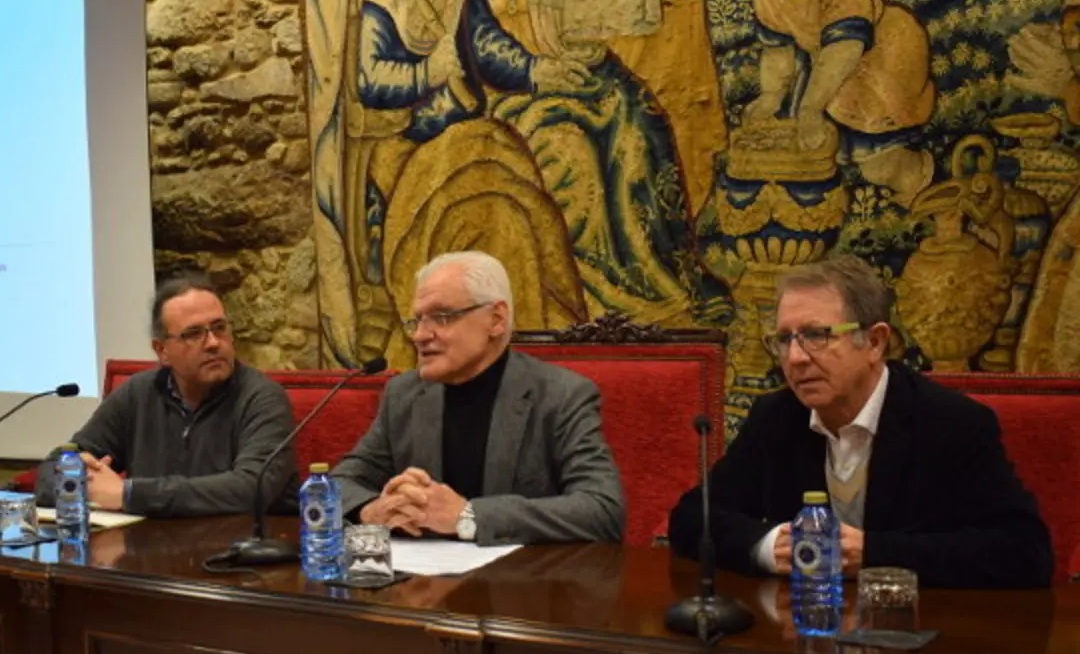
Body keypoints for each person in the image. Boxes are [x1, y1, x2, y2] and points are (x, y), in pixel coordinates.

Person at [667, 255, 1053, 588]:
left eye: (817, 335)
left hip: (918, 644)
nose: (796, 357)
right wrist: (770, 548)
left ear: (875, 343)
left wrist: (872, 553)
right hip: (801, 639)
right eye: (785, 339)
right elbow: (690, 519)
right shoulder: (776, 418)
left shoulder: (951, 424)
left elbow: (1024, 552)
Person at [333, 251, 625, 544]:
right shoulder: (404, 395)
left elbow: (602, 510)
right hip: (423, 582)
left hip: (520, 582)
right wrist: (373, 511)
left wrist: (468, 516)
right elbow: (337, 485)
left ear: (496, 320)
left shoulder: (560, 395)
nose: (420, 335)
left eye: (441, 317)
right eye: (418, 320)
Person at [35, 276, 298, 517]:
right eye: (193, 334)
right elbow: (51, 472)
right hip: (146, 551)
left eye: (219, 328)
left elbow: (251, 487)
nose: (213, 343)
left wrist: (127, 494)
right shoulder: (138, 394)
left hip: (233, 554)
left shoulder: (261, 398)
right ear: (162, 351)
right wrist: (79, 480)